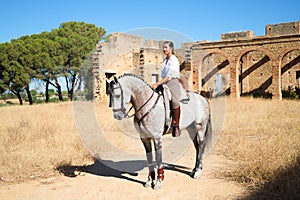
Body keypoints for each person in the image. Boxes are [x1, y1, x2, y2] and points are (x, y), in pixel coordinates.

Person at [151, 41, 181, 137]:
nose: (164, 49)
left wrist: (157, 83)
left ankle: (176, 125)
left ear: (171, 49)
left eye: (166, 48)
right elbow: (163, 75)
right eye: (163, 48)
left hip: (172, 82)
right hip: (163, 82)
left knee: (175, 101)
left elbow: (169, 76)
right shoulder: (164, 60)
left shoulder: (174, 60)